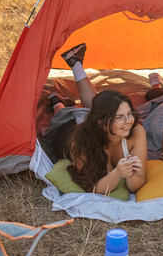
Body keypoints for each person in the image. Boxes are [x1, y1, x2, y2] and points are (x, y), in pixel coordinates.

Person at [57, 43, 148, 194]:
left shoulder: (137, 132)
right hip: (64, 134)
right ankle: (56, 103)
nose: (128, 121)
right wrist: (118, 173)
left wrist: (133, 175)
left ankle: (75, 63)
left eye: (129, 113)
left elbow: (135, 185)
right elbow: (92, 188)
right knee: (61, 114)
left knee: (95, 107)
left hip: (96, 122)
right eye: (120, 117)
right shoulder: (81, 143)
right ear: (102, 124)